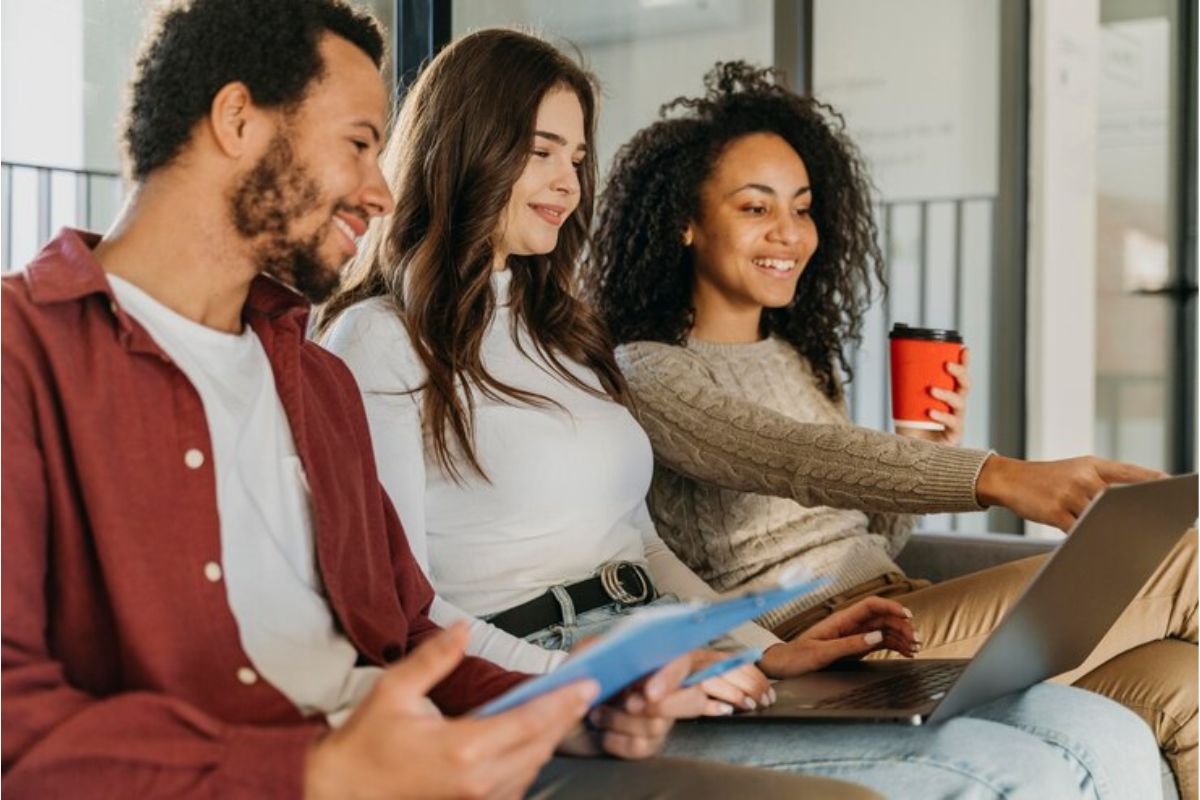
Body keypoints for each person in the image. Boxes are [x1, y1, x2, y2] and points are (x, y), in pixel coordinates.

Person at [0, 5, 883, 798]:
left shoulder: (310, 380)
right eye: (357, 143)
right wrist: (317, 773)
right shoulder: (29, 353)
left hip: (448, 745)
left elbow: (407, 623)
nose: (382, 188)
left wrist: (580, 707)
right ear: (237, 120)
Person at [319, 27, 1165, 799]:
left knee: (1097, 727)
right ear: (464, 149)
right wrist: (587, 678)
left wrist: (762, 647)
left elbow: (638, 548)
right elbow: (405, 606)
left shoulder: (563, 335)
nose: (567, 184)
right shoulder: (380, 342)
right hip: (561, 680)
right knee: (1010, 770)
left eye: (577, 157)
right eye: (541, 152)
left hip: (670, 646)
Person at [586, 60, 1198, 797]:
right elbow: (792, 457)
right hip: (812, 640)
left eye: (803, 207)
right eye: (755, 208)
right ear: (683, 221)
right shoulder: (651, 370)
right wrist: (993, 474)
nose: (790, 233)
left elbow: (868, 530)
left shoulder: (795, 358)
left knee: (1186, 684)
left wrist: (924, 455)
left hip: (900, 611)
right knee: (1185, 561)